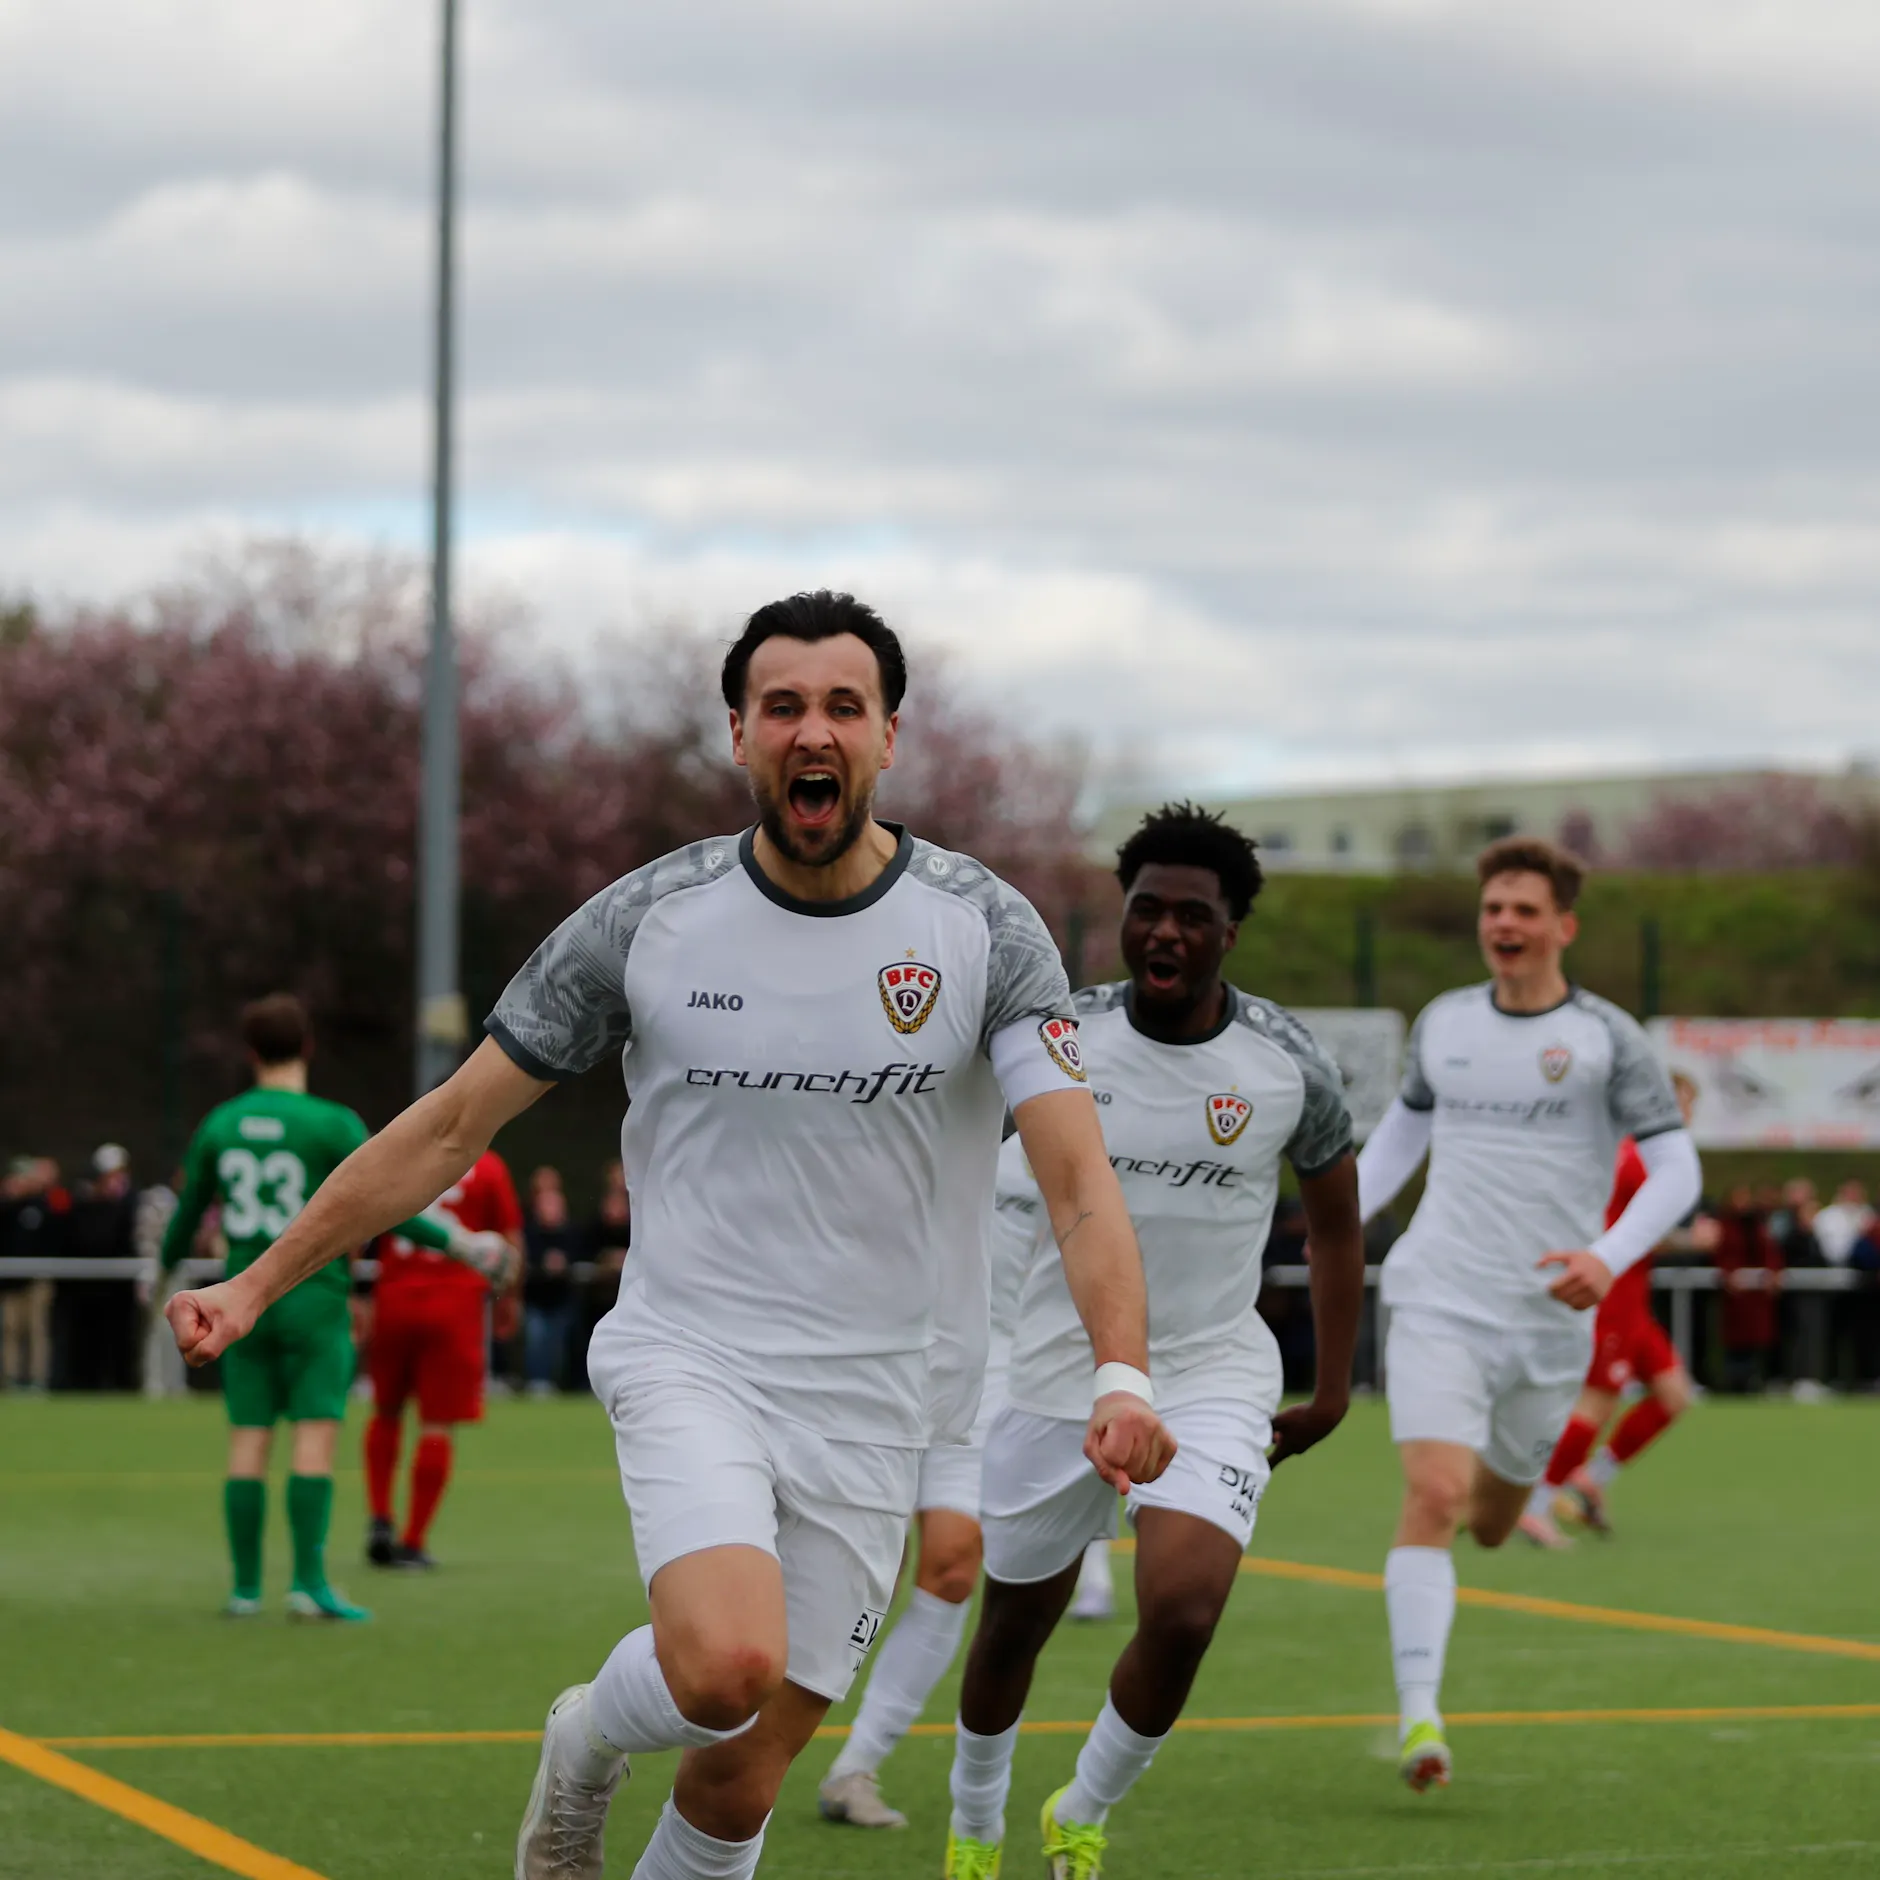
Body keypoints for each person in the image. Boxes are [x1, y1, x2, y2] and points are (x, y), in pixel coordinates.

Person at [165, 591, 1173, 1880]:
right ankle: (587, 1738)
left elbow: (1078, 1177)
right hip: (694, 1354)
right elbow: (448, 1126)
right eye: (784, 706)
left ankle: (607, 1750)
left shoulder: (983, 928)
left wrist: (1121, 1371)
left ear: (889, 737)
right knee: (723, 1664)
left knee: (738, 1772)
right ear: (739, 735)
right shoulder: (647, 920)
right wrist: (254, 1282)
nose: (814, 730)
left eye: (843, 707)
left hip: (889, 1391)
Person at [942, 804, 1365, 1880]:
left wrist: (1330, 1387)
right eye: (1145, 911)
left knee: (1181, 1610)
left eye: (1191, 915)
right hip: (1052, 1370)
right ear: (1119, 920)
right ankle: (974, 1822)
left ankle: (1079, 1809)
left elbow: (1332, 1224)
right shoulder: (1056, 1035)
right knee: (1011, 1626)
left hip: (1209, 1369)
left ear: (1230, 932)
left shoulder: (1286, 1066)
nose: (1163, 933)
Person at [1357, 837, 1700, 1793]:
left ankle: (1505, 1509)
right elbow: (1399, 1137)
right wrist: (1335, 1223)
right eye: (1493, 908)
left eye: (1523, 910)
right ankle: (1421, 1719)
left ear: (1563, 927)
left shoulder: (1607, 1039)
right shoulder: (1444, 1023)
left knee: (1496, 1520)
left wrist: (1607, 1256)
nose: (1503, 924)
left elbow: (1679, 1169)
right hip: (1438, 1295)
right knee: (1431, 1496)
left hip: (1550, 1320)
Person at [160, 993, 511, 1620]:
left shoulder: (220, 1123)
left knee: (247, 1440)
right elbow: (389, 1199)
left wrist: (162, 1273)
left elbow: (187, 1215)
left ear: (249, 1053)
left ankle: (244, 1590)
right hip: (313, 1299)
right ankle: (308, 1584)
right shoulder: (331, 1123)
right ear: (309, 1047)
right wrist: (460, 1243)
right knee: (313, 1441)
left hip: (236, 1299)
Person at [815, 1134, 1043, 1829]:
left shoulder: (1096, 1136)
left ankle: (855, 1766)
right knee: (850, 1575)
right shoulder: (934, 1100)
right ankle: (743, 1744)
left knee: (950, 1567)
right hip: (878, 1356)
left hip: (991, 1370)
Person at [1518, 1072, 1701, 1547]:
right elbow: (1640, 1228)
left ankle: (1591, 1477)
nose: (1684, 1114)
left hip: (1635, 1298)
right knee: (1597, 1401)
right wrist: (1692, 1240)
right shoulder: (1634, 1157)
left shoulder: (1645, 1156)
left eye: (1688, 1104)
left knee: (1673, 1395)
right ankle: (1535, 1505)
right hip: (1613, 1296)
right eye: (1678, 1102)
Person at [364, 1147, 524, 1568]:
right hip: (454, 1301)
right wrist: (510, 1297)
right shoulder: (488, 1167)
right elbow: (510, 1239)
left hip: (394, 1294)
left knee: (386, 1410)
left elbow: (359, 1212)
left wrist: (355, 1294)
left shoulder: (402, 1150)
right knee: (436, 1424)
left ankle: (380, 1516)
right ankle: (413, 1540)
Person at [1713, 1186, 1783, 1392]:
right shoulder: (1725, 1226)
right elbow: (1720, 1254)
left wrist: (1773, 1273)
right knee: (1735, 1341)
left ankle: (1755, 1380)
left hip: (1756, 1296)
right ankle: (1733, 1381)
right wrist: (1728, 1275)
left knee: (1757, 1339)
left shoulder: (1757, 1226)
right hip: (1735, 1297)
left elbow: (1770, 1252)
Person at [522, 1168, 582, 1395]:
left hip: (562, 1299)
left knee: (562, 1342)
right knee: (536, 1338)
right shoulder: (528, 1231)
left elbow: (579, 1254)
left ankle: (568, 1383)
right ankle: (538, 1382)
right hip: (536, 1299)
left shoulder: (571, 1232)